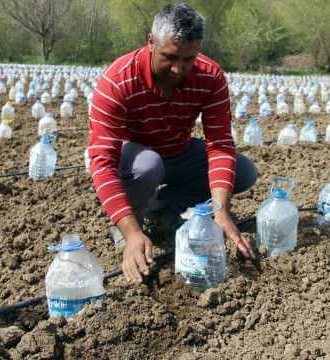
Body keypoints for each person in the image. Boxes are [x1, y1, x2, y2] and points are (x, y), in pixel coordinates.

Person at [87, 3, 258, 283]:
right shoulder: (118, 81)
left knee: (244, 172)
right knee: (148, 166)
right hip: (136, 157)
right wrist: (131, 233)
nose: (179, 69)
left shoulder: (209, 76)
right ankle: (131, 226)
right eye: (169, 57)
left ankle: (164, 207)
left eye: (189, 59)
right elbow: (103, 163)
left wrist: (221, 211)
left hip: (179, 151)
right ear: (151, 42)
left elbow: (220, 145)